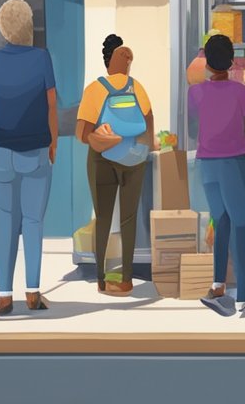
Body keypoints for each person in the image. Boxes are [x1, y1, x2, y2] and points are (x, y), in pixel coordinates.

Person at [0, 0, 58, 317]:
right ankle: (32, 292)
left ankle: (2, 295)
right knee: (33, 221)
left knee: (4, 221)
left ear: (2, 28)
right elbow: (51, 104)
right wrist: (53, 142)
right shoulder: (42, 58)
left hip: (0, 150)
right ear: (28, 26)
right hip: (35, 150)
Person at [190, 34, 245, 318]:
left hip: (206, 164)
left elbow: (194, 120)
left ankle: (217, 286)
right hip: (233, 163)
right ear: (231, 60)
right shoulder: (239, 92)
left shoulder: (196, 92)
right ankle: (243, 296)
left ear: (207, 62)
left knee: (220, 219)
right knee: (240, 224)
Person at [76, 34, 154, 296]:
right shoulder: (137, 87)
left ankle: (100, 279)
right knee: (129, 219)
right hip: (134, 158)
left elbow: (81, 132)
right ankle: (127, 279)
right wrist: (140, 148)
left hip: (102, 159)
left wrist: (98, 138)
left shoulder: (94, 90)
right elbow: (149, 123)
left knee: (104, 218)